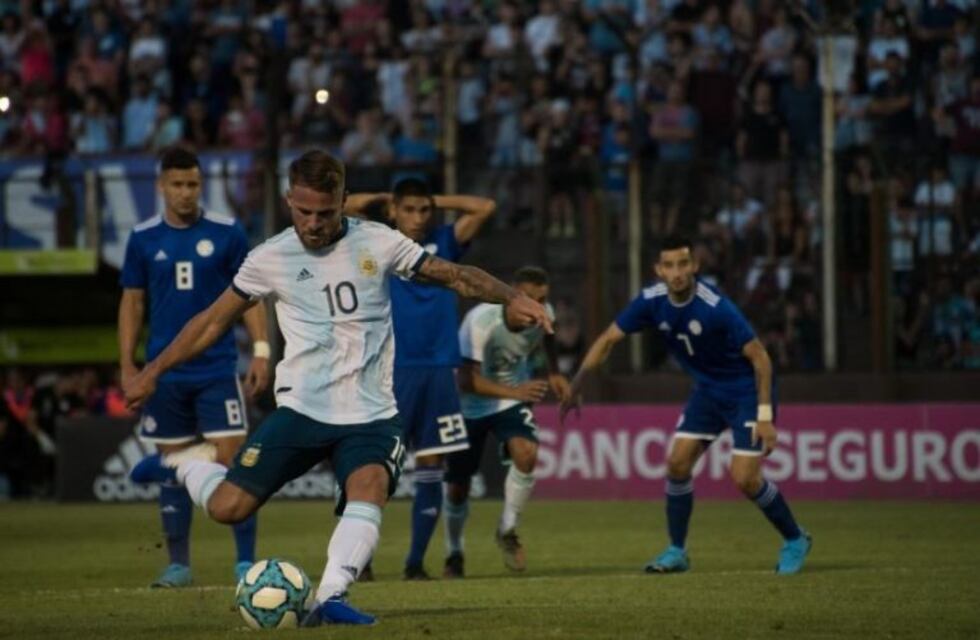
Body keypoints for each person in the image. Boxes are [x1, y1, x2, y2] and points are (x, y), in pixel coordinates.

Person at [124, 150, 552, 626]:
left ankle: (330, 597)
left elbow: (455, 275)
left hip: (372, 412)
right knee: (228, 507)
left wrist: (514, 296)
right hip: (303, 409)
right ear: (289, 200)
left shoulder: (379, 242)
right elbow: (210, 323)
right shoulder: (269, 257)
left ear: (344, 201)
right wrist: (152, 370)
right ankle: (179, 461)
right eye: (302, 211)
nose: (312, 223)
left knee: (369, 488)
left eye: (324, 213)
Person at [560, 235, 811, 575]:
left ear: (694, 266)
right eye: (669, 265)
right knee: (677, 463)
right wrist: (576, 384)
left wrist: (765, 417)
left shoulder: (715, 307)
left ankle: (795, 538)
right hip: (708, 391)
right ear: (658, 270)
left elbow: (761, 359)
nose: (677, 272)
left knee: (745, 478)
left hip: (745, 392)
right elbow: (607, 340)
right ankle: (677, 551)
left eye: (683, 264)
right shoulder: (651, 301)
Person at [118, 146, 271, 588]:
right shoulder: (143, 238)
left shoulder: (227, 232)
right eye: (178, 185)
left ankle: (245, 563)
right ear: (162, 186)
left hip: (217, 369)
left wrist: (260, 349)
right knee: (175, 470)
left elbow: (250, 295)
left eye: (194, 184)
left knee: (236, 462)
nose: (187, 193)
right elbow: (132, 302)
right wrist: (129, 365)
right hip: (164, 373)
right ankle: (179, 565)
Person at [345, 180, 496, 580]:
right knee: (376, 465)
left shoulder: (445, 241)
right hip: (391, 367)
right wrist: (385, 201)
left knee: (431, 464)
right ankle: (360, 560)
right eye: (409, 210)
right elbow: (344, 206)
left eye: (424, 210)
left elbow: (484, 205)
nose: (418, 218)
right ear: (394, 210)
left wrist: (435, 200)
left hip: (439, 370)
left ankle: (414, 563)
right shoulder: (379, 240)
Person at [443, 267, 570, 578]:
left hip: (509, 399)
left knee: (527, 453)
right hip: (468, 406)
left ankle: (507, 528)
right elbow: (466, 381)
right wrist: (517, 390)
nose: (537, 307)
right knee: (458, 487)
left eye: (543, 299)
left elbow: (548, 335)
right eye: (530, 299)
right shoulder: (480, 322)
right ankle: (454, 552)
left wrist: (554, 372)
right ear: (511, 295)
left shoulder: (543, 314)